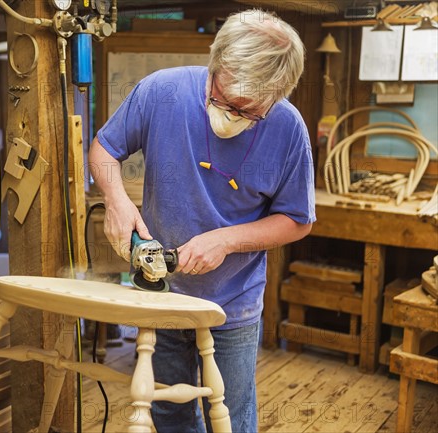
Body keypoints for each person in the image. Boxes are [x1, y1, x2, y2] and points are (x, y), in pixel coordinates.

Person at [88, 9, 315, 433]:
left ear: (277, 95)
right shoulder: (163, 92)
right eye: (222, 98)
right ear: (216, 65)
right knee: (169, 412)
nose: (230, 114)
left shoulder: (288, 129)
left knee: (229, 413)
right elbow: (104, 148)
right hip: (162, 291)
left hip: (233, 301)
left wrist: (227, 241)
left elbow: (297, 220)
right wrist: (115, 199)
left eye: (249, 110)